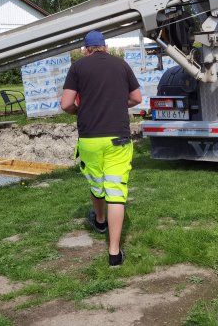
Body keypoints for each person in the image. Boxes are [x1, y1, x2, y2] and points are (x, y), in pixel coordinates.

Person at [60, 30, 142, 267]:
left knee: (97, 184)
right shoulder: (122, 65)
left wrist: (82, 110)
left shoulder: (78, 68)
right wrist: (118, 102)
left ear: (86, 49)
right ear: (105, 47)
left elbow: (66, 104)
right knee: (116, 191)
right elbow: (136, 98)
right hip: (118, 137)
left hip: (90, 138)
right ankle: (114, 253)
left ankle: (99, 220)